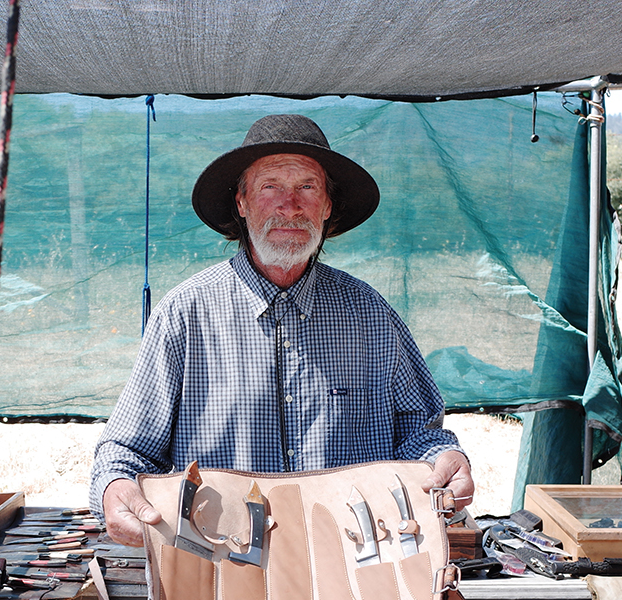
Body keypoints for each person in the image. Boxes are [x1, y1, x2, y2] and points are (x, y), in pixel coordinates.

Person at [90, 114, 473, 546]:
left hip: (351, 559)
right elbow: (126, 450)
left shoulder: (370, 315)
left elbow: (419, 435)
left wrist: (445, 458)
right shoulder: (184, 315)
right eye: (271, 186)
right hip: (219, 562)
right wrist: (114, 486)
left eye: (307, 187)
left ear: (327, 207)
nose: (289, 205)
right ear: (242, 202)